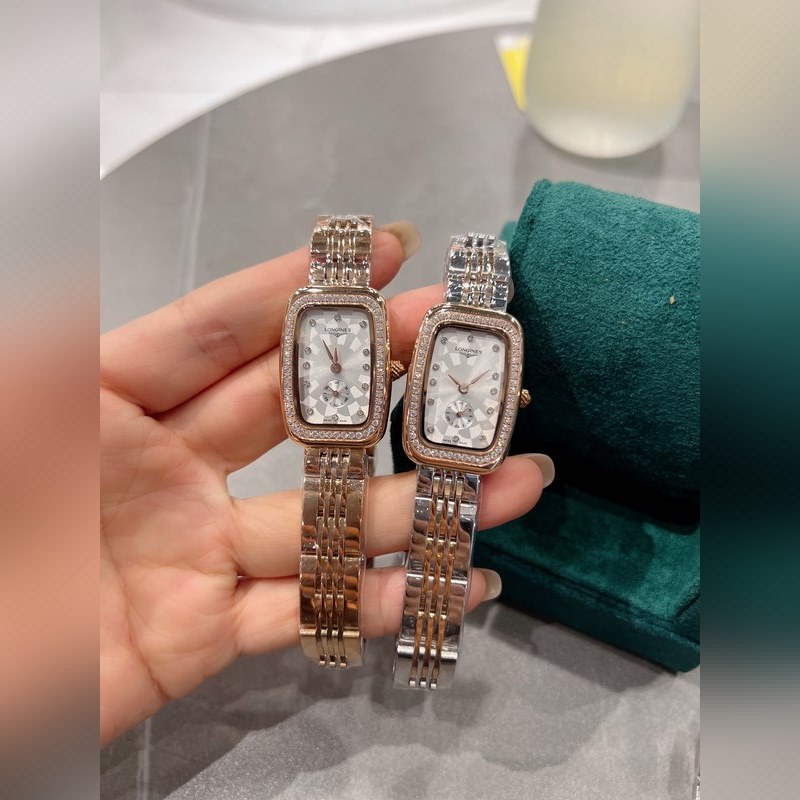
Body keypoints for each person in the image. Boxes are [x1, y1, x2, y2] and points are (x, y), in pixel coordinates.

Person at [99, 224, 553, 746]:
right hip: (341, 433)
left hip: (440, 446)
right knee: (343, 534)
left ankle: (405, 646)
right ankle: (341, 631)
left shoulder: (449, 337)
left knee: (381, 537)